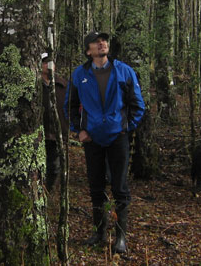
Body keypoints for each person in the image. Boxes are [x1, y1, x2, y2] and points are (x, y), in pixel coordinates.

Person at [65, 31, 145, 254]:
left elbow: (138, 105)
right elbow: (70, 106)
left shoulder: (124, 71)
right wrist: (79, 130)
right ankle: (99, 232)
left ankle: (120, 237)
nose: (102, 43)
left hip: (117, 138)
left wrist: (125, 129)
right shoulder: (79, 74)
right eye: (95, 41)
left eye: (104, 40)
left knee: (120, 187)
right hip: (92, 140)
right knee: (96, 187)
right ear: (88, 50)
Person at [40, 52, 69, 192]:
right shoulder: (35, 86)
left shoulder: (63, 85)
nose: (48, 65)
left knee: (54, 165)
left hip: (58, 132)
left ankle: (49, 191)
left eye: (50, 62)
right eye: (45, 62)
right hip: (40, 132)